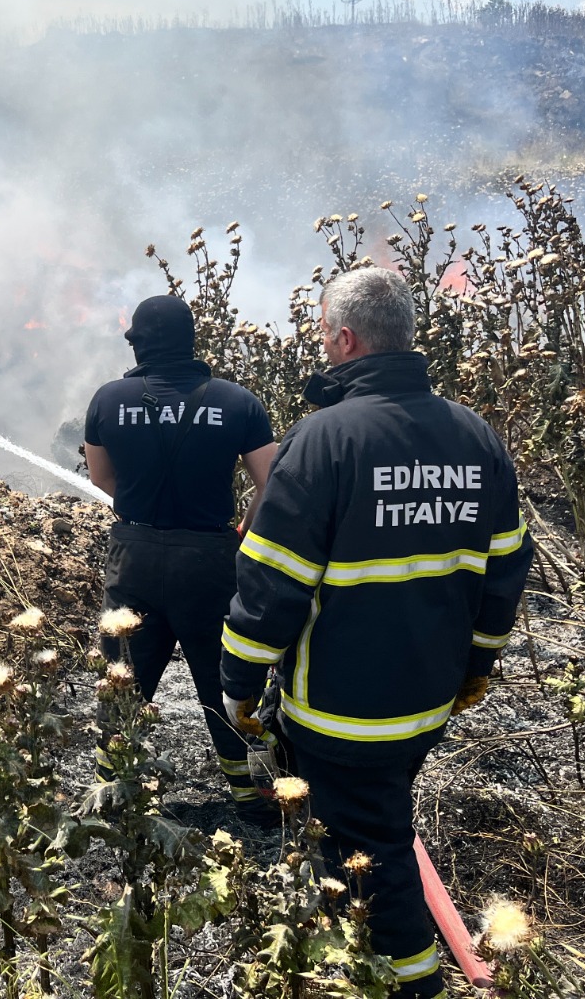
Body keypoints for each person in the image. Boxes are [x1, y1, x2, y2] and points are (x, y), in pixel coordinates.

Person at [220, 266, 532, 999]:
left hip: (340, 710)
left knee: (371, 857)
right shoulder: (475, 436)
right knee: (377, 827)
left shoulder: (324, 440)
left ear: (346, 338)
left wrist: (237, 684)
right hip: (426, 699)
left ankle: (405, 980)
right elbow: (506, 571)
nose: (324, 346)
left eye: (326, 335)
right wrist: (477, 667)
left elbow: (270, 585)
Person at [84, 294, 279, 823]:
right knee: (223, 679)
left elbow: (102, 479)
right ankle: (246, 795)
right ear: (191, 340)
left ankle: (113, 792)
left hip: (134, 555)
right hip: (210, 558)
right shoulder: (238, 402)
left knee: (123, 675)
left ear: (138, 343)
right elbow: (271, 481)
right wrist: (242, 530)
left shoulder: (107, 400)